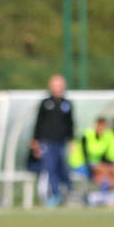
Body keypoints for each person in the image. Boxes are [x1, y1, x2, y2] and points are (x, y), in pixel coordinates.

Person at [31, 74, 74, 207]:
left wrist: (71, 140)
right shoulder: (45, 103)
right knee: (50, 169)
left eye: (60, 85)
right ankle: (53, 195)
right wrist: (35, 140)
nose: (58, 88)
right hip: (46, 142)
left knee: (63, 169)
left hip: (61, 142)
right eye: (55, 85)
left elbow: (70, 124)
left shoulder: (67, 104)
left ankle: (68, 193)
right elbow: (38, 123)